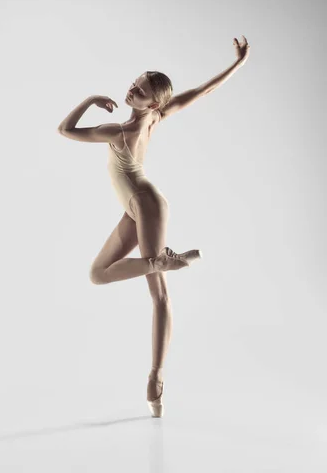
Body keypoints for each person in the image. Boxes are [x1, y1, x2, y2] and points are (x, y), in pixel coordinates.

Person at [58, 36, 251, 417]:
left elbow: (65, 130)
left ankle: (156, 380)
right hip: (136, 209)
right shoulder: (156, 117)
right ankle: (164, 261)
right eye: (135, 82)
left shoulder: (119, 133)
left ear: (154, 103)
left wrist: (90, 100)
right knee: (98, 274)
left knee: (159, 296)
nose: (133, 89)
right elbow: (203, 90)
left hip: (147, 205)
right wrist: (239, 63)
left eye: (141, 90)